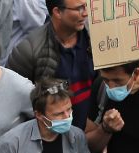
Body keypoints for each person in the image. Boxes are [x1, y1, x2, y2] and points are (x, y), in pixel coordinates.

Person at [7, 0, 93, 129]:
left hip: (90, 135)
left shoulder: (94, 40)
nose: (86, 13)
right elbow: (13, 102)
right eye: (79, 8)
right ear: (57, 12)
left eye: (86, 6)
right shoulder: (29, 50)